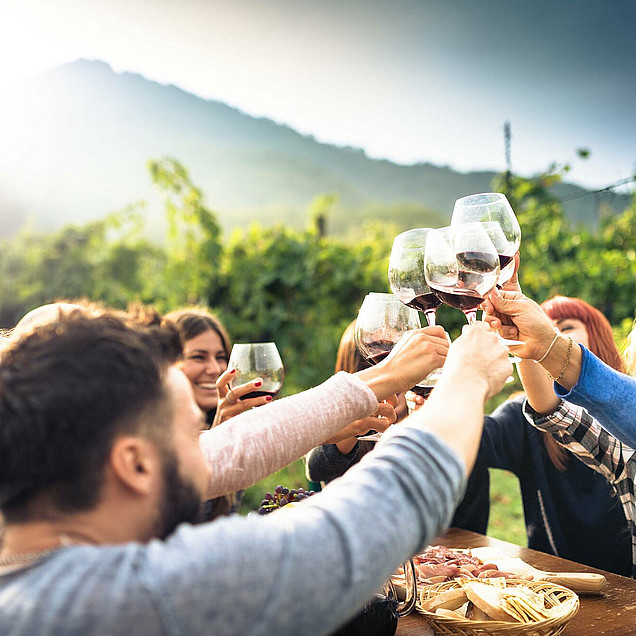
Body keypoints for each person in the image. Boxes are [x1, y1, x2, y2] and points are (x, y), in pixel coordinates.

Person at [0, 310, 510, 635]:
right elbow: (373, 515)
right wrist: (465, 379)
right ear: (135, 465)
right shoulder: (133, 600)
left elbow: (236, 447)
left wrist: (378, 379)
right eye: (189, 440)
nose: (210, 450)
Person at [483, 287, 636, 576]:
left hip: (621, 593)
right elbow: (550, 410)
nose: (546, 332)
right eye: (542, 325)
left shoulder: (627, 429)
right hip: (553, 587)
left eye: (564, 328)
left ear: (597, 334)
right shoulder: (525, 412)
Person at [306, 320, 491, 535]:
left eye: (403, 358)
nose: (398, 374)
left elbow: (470, 524)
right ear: (356, 372)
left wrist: (436, 428)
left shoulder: (440, 422)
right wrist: (357, 416)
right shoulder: (344, 436)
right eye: (378, 363)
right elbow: (317, 469)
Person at [163, 308, 266, 517]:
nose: (214, 369)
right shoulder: (155, 440)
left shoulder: (228, 424)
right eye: (198, 357)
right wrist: (216, 444)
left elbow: (221, 518)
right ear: (166, 364)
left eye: (220, 357)